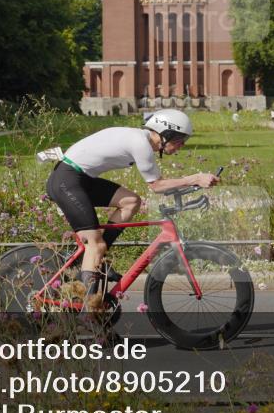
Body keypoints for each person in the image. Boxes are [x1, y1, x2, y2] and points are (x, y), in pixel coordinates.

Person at [45, 109, 220, 305]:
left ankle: (96, 258)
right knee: (96, 244)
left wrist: (188, 184)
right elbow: (157, 186)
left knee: (131, 201)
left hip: (79, 178)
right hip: (67, 181)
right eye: (180, 139)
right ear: (167, 134)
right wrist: (195, 178)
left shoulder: (141, 139)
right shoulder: (141, 144)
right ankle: (87, 315)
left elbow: (159, 185)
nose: (182, 145)